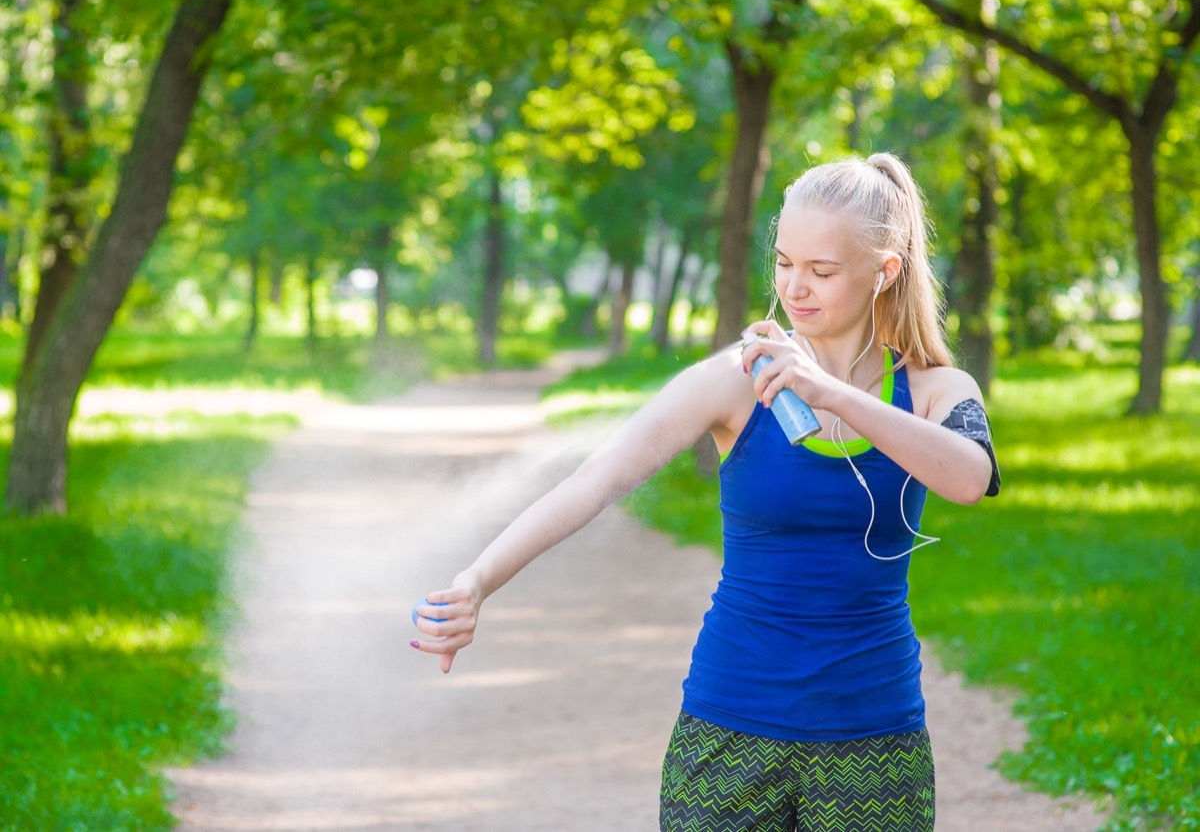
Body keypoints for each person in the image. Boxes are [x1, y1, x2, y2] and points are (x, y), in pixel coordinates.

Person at [411, 152, 1001, 831]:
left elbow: (968, 477)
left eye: (822, 270)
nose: (795, 287)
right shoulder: (731, 381)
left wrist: (827, 390)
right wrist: (479, 579)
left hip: (875, 738)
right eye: (784, 262)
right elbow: (594, 478)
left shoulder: (936, 389)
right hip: (729, 728)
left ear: (884, 270)